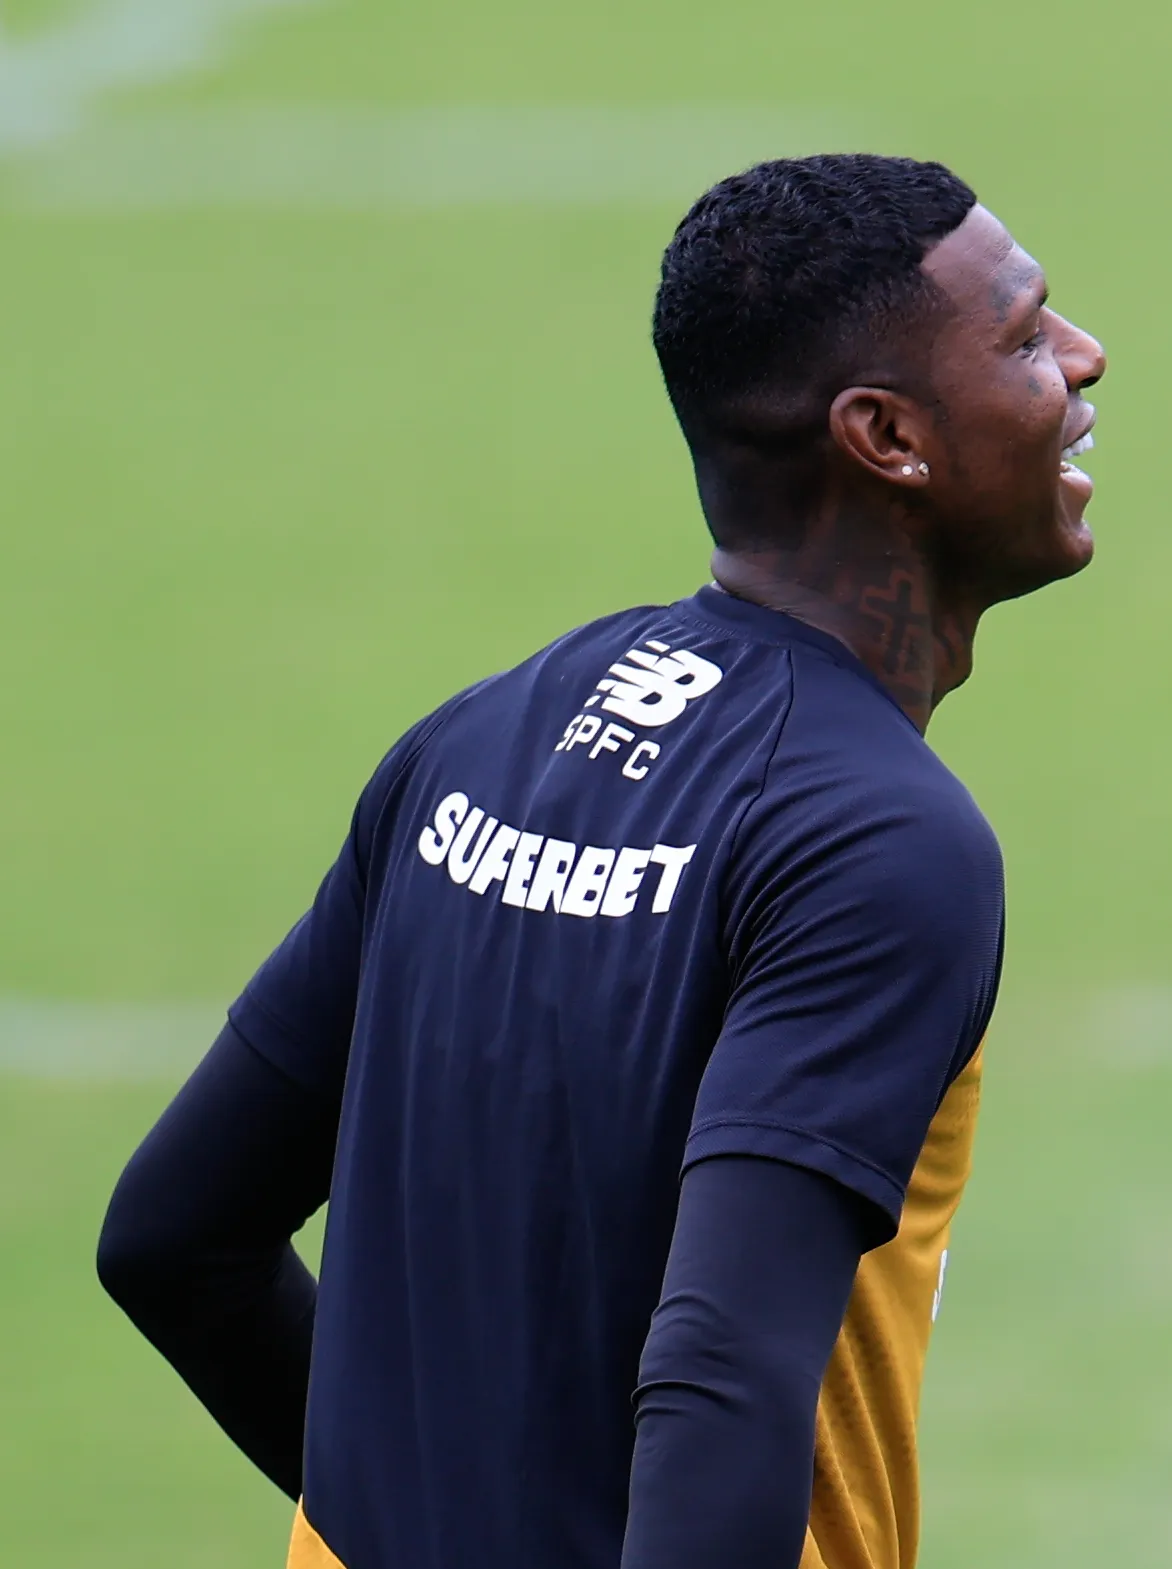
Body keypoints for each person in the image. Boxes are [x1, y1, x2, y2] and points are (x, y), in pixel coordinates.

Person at [93, 152, 1106, 1569]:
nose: (1081, 358)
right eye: (1023, 335)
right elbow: (719, 1384)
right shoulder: (881, 845)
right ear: (888, 436)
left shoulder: (486, 735)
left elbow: (174, 1239)